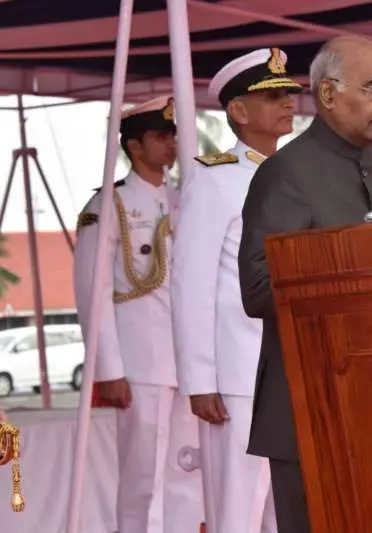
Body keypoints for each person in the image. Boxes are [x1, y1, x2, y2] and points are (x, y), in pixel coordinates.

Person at [238, 35, 372, 533]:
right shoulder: (285, 174)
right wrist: (356, 263)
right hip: (313, 409)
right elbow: (257, 289)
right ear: (329, 95)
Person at [171, 47, 301, 533]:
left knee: (285, 507)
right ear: (239, 113)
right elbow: (192, 284)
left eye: (288, 94)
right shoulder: (215, 179)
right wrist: (200, 380)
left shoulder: (294, 177)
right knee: (237, 510)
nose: (287, 103)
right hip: (238, 375)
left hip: (289, 367)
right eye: (272, 97)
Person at [73, 96, 203, 533]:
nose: (171, 145)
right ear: (134, 146)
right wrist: (107, 368)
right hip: (140, 361)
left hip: (187, 362)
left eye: (173, 136)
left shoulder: (185, 200)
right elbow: (93, 294)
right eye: (160, 137)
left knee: (187, 473)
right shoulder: (108, 205)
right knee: (143, 479)